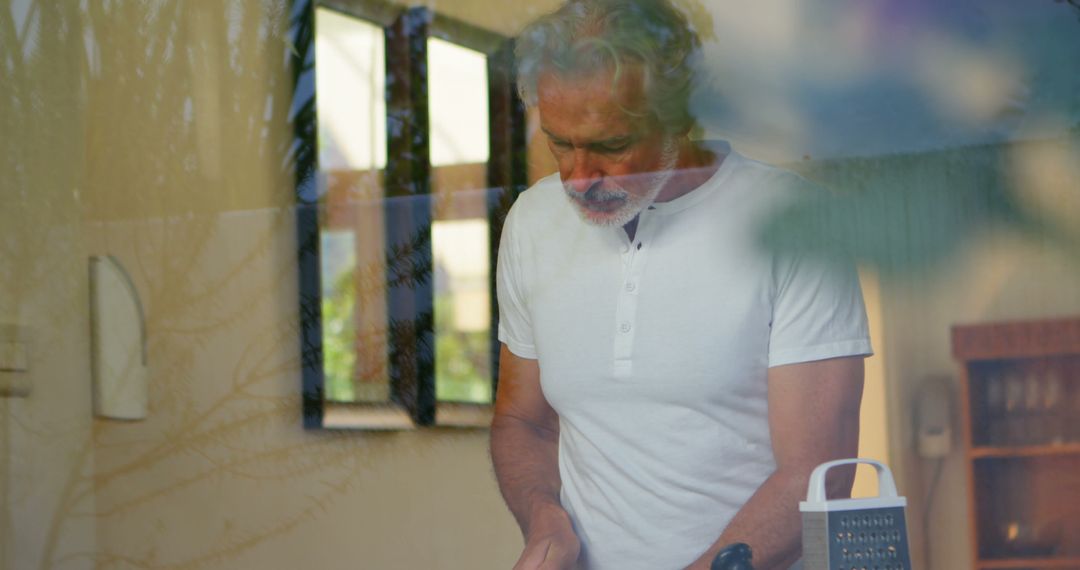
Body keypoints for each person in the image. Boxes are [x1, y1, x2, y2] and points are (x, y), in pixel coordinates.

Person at [490, 1, 872, 569]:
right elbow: (524, 421)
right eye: (559, 143)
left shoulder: (795, 222)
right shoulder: (531, 223)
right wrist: (546, 522)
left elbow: (815, 475)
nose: (578, 177)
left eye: (611, 146)